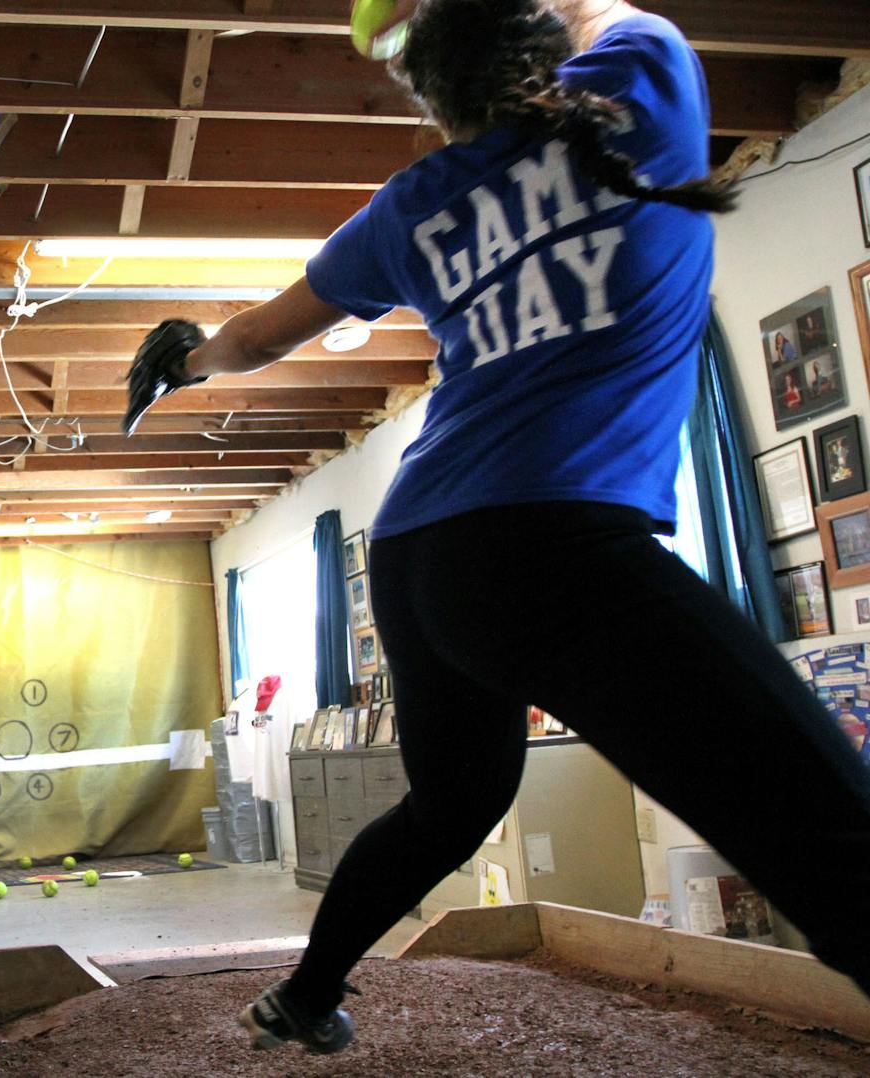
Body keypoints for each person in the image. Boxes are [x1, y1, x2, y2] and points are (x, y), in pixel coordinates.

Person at [125, 0, 870, 1055]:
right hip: (551, 548)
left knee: (451, 802)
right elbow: (604, 10)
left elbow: (250, 338)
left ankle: (305, 994)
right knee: (825, 824)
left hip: (418, 558)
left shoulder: (415, 202)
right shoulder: (636, 89)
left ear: (432, 105)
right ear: (547, 47)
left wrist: (182, 358)